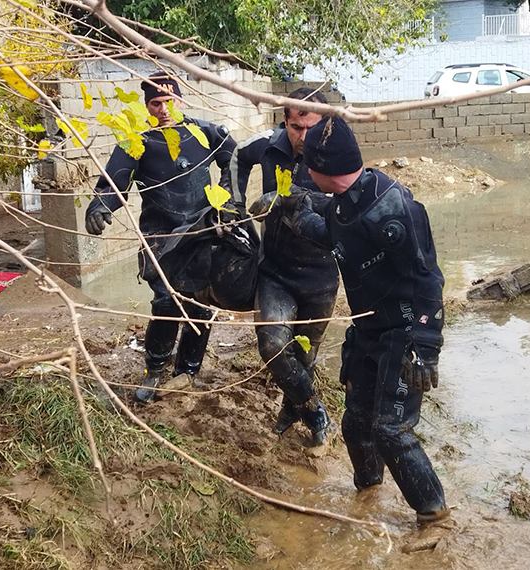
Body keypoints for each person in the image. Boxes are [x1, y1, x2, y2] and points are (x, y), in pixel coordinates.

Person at [283, 115, 452, 546]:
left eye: (306, 163)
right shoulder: (344, 201)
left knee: (390, 429)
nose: (303, 170)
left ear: (324, 167)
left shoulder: (395, 209)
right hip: (367, 331)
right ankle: (368, 491)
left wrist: (426, 347)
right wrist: (293, 214)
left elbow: (429, 279)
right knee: (356, 423)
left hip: (404, 333)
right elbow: (338, 235)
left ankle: (434, 517)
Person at [85, 71, 237, 403]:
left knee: (200, 304)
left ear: (179, 100)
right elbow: (113, 182)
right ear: (147, 106)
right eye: (157, 103)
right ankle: (154, 371)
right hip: (161, 236)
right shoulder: (137, 142)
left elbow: (236, 162)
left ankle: (188, 371)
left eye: (170, 101)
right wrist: (98, 207)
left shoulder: (204, 133)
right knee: (166, 303)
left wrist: (227, 199)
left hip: (202, 230)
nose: (164, 108)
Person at [232, 88, 335, 446]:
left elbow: (347, 206)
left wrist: (284, 198)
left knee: (304, 358)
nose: (302, 137)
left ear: (325, 123)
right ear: (286, 121)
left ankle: (291, 409)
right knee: (274, 346)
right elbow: (235, 156)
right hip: (275, 270)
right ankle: (315, 410)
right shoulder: (269, 146)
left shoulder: (338, 154)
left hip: (321, 275)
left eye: (310, 127)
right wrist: (234, 200)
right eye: (295, 127)